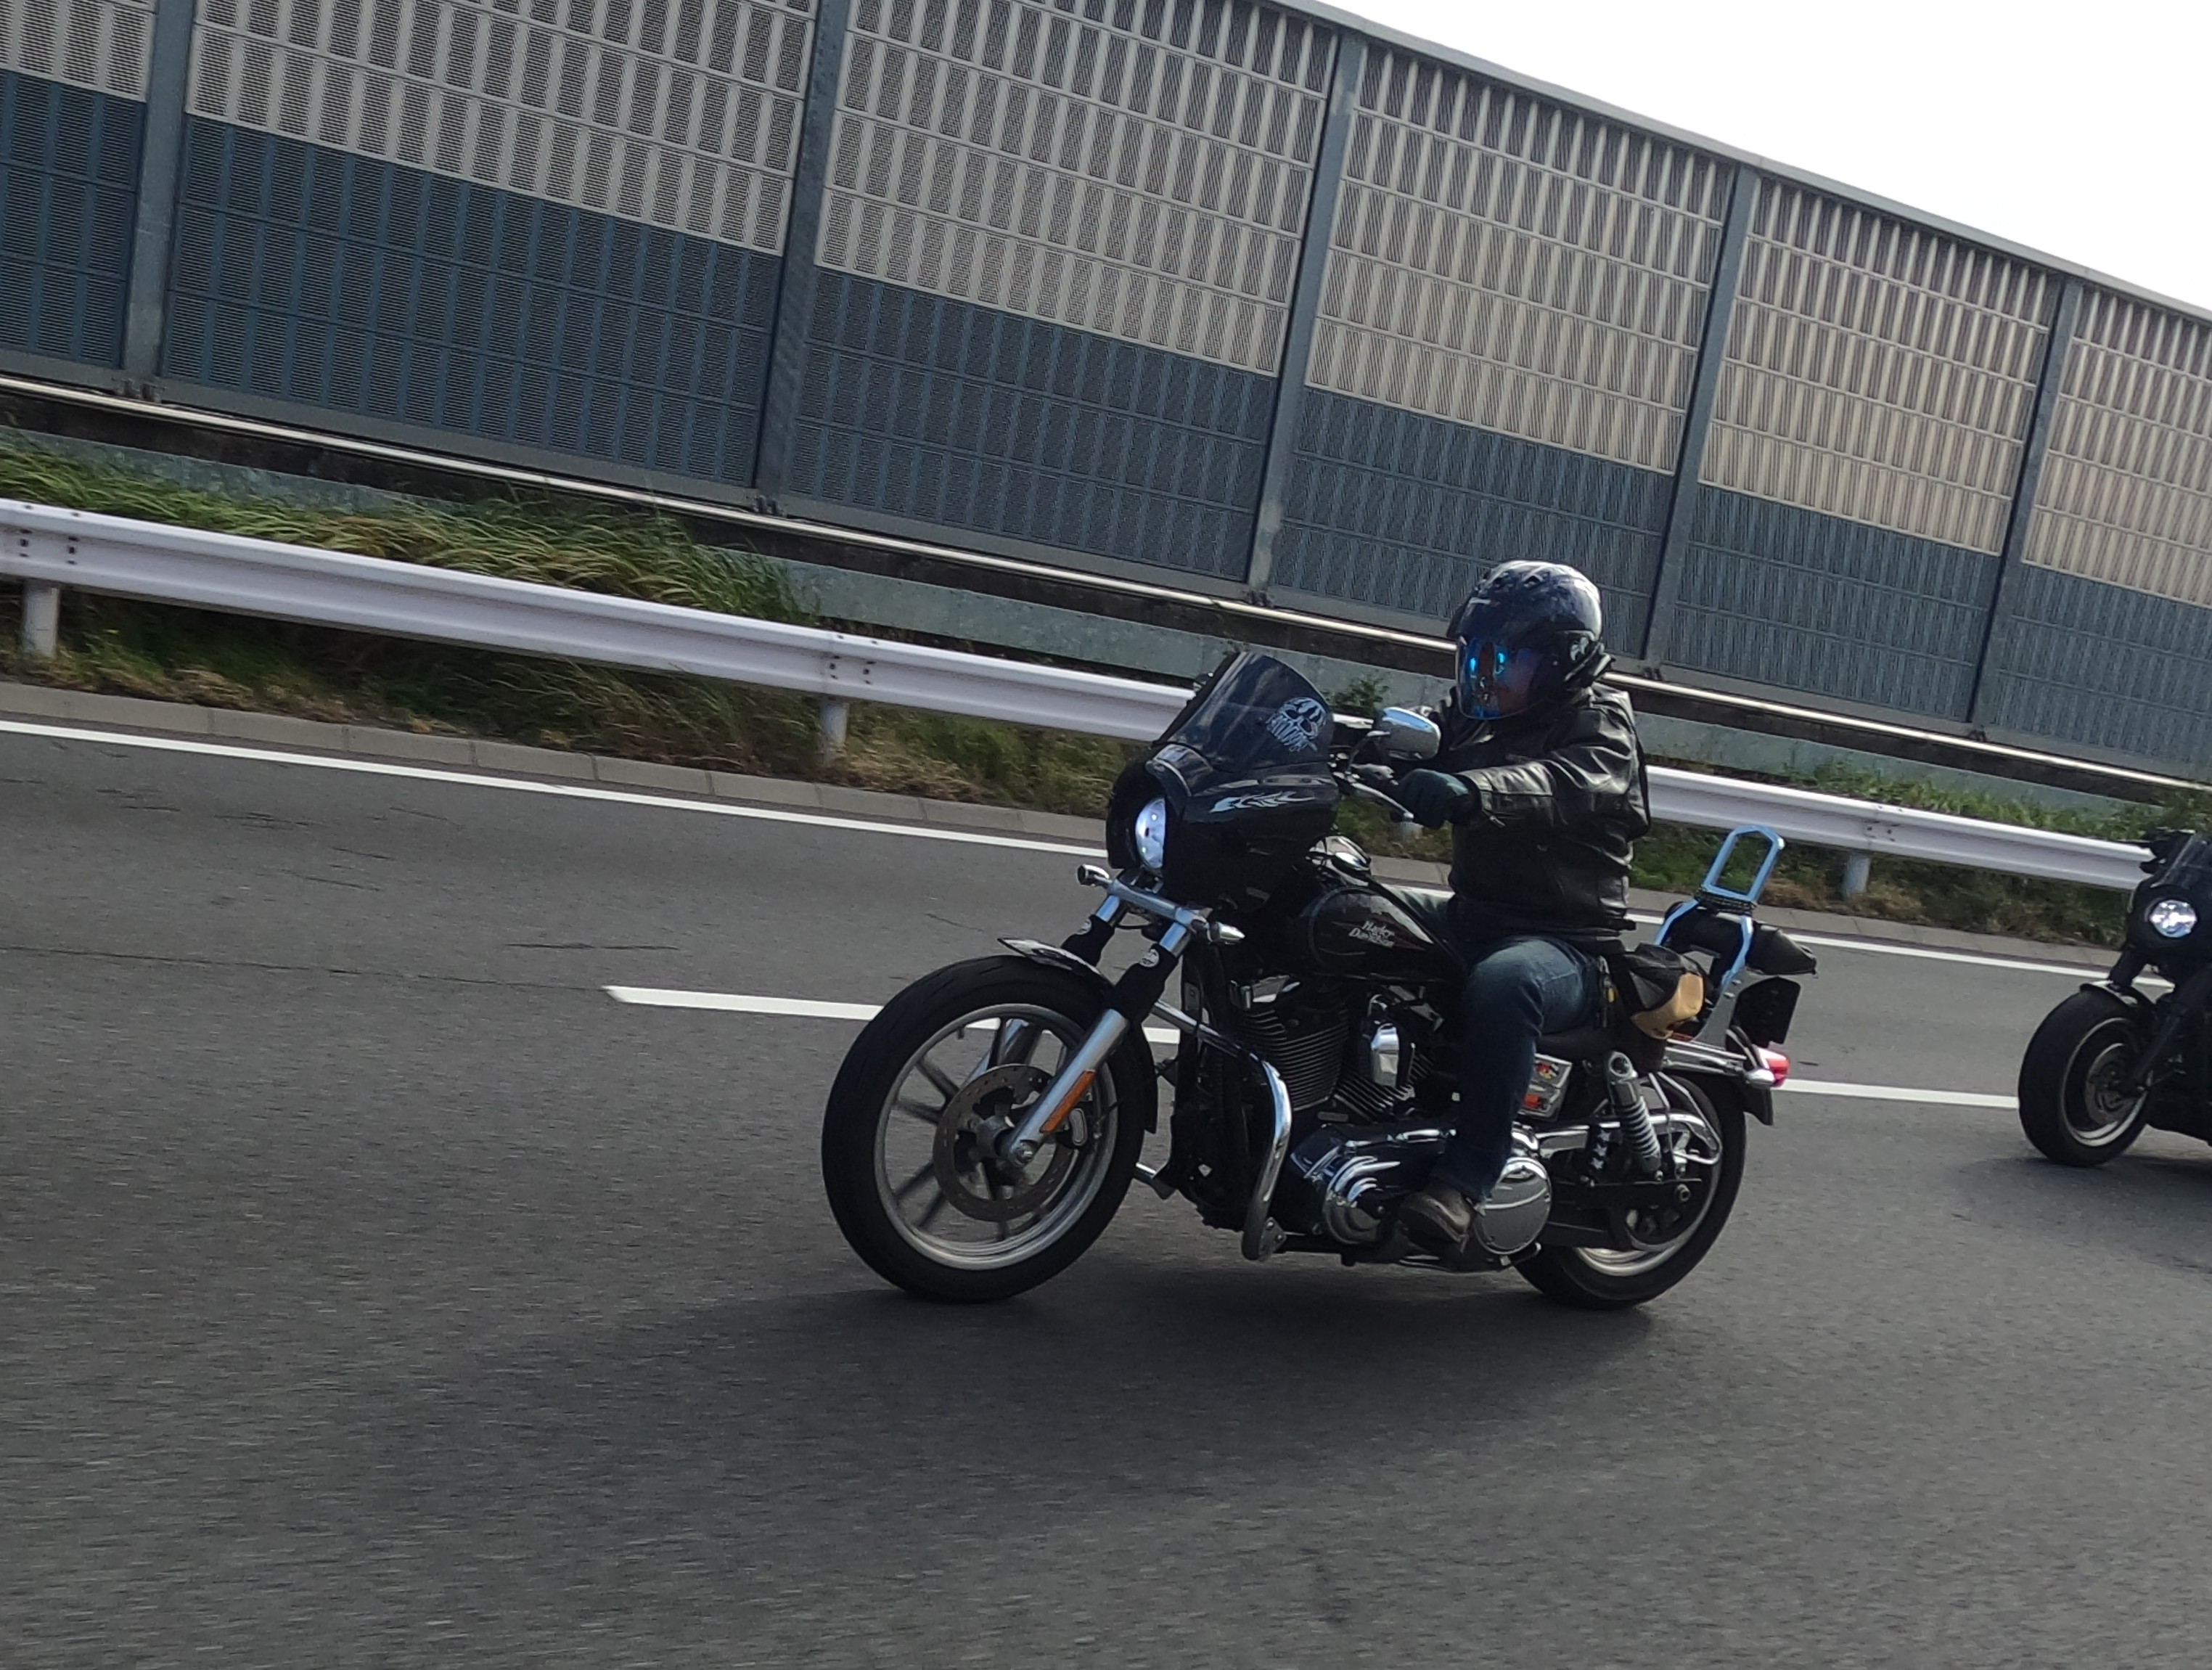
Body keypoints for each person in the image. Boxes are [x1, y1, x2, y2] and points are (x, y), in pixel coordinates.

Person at [1388, 560, 1650, 1254]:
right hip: (1473, 916)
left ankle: (1464, 1182)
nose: (1486, 673)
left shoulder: (1601, 726)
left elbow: (1558, 781)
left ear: (1561, 661)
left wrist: (1473, 791)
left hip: (1566, 942)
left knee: (1506, 983)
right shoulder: (1480, 712)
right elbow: (1427, 731)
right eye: (1477, 654)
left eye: (1505, 659)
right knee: (1348, 904)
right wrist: (1355, 739)